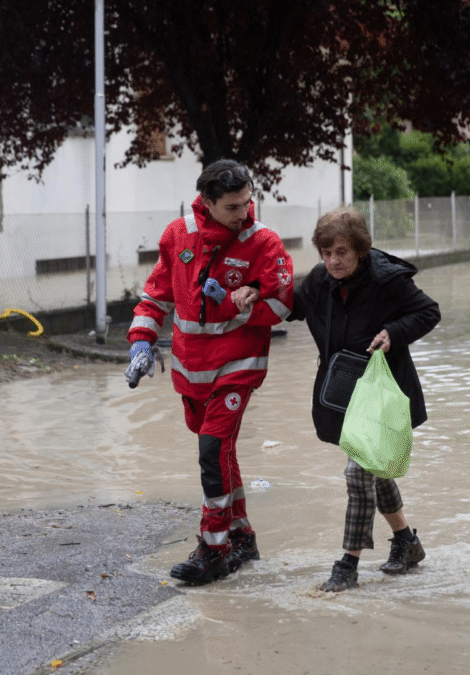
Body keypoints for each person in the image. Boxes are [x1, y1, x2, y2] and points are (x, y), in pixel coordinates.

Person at [125, 159, 294, 586]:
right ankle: (242, 536)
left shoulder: (264, 242)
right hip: (191, 367)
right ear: (207, 202)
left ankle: (213, 548)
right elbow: (156, 296)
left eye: (248, 203)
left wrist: (251, 299)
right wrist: (141, 343)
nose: (244, 213)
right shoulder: (178, 235)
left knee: (211, 450)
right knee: (220, 451)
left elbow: (283, 306)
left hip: (238, 364)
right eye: (234, 207)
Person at [288, 206, 440, 592]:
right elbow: (291, 305)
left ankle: (347, 566)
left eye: (341, 252)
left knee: (359, 475)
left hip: (383, 394)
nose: (333, 261)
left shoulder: (387, 280)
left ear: (359, 249)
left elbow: (428, 311)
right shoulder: (320, 280)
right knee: (375, 468)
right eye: (326, 253)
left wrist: (393, 331)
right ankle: (407, 543)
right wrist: (254, 291)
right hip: (342, 395)